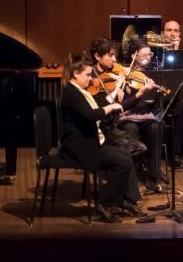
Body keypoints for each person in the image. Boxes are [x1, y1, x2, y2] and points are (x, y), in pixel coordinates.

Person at [59, 52, 144, 222]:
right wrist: (111, 107)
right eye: (88, 75)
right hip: (80, 148)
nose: (90, 79)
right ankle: (105, 203)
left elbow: (98, 105)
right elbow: (92, 115)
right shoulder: (72, 94)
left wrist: (113, 100)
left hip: (90, 142)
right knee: (122, 162)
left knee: (125, 154)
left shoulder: (80, 92)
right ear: (76, 74)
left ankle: (126, 199)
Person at [114, 41, 167, 193]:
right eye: (144, 54)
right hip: (128, 116)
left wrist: (156, 95)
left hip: (147, 115)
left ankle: (153, 178)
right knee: (130, 128)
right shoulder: (123, 73)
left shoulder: (153, 74)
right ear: (133, 56)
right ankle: (132, 175)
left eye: (149, 54)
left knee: (156, 127)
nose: (148, 58)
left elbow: (156, 104)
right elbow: (122, 103)